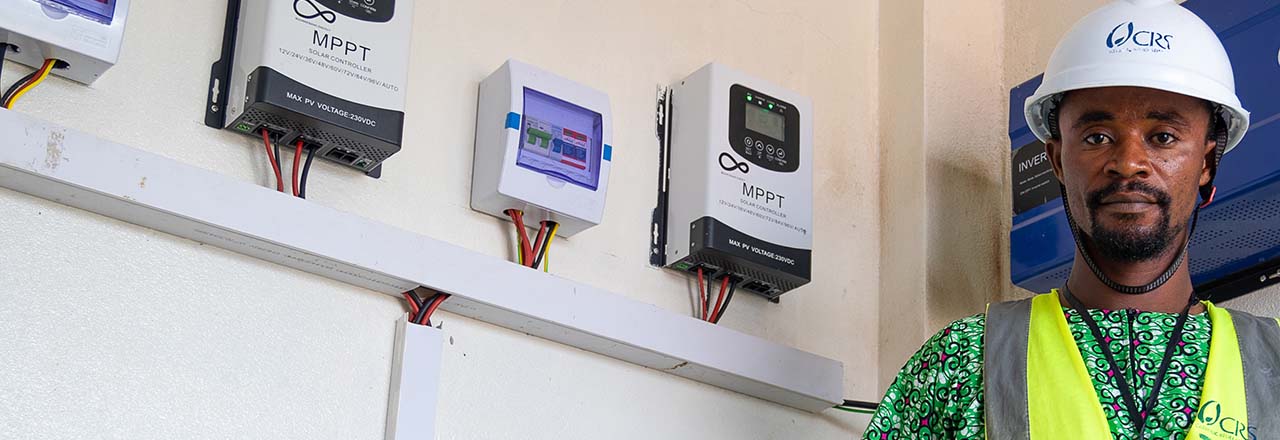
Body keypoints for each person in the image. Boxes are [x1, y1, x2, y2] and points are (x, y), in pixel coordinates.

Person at [862, 1, 1280, 438]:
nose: (1129, 162)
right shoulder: (963, 362)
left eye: (1163, 137)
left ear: (1207, 162)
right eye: (1097, 137)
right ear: (1057, 160)